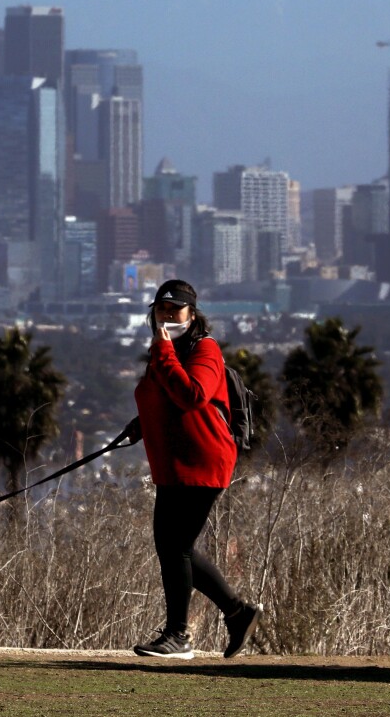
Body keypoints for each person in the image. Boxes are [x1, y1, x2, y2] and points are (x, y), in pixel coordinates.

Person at [125, 278, 262, 659]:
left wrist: (165, 348)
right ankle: (237, 612)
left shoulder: (205, 349)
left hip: (204, 461)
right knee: (173, 547)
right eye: (162, 309)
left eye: (176, 309)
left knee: (175, 546)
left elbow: (192, 396)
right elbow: (163, 396)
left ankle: (180, 635)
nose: (168, 315)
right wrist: (141, 423)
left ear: (191, 313)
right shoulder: (163, 352)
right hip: (174, 462)